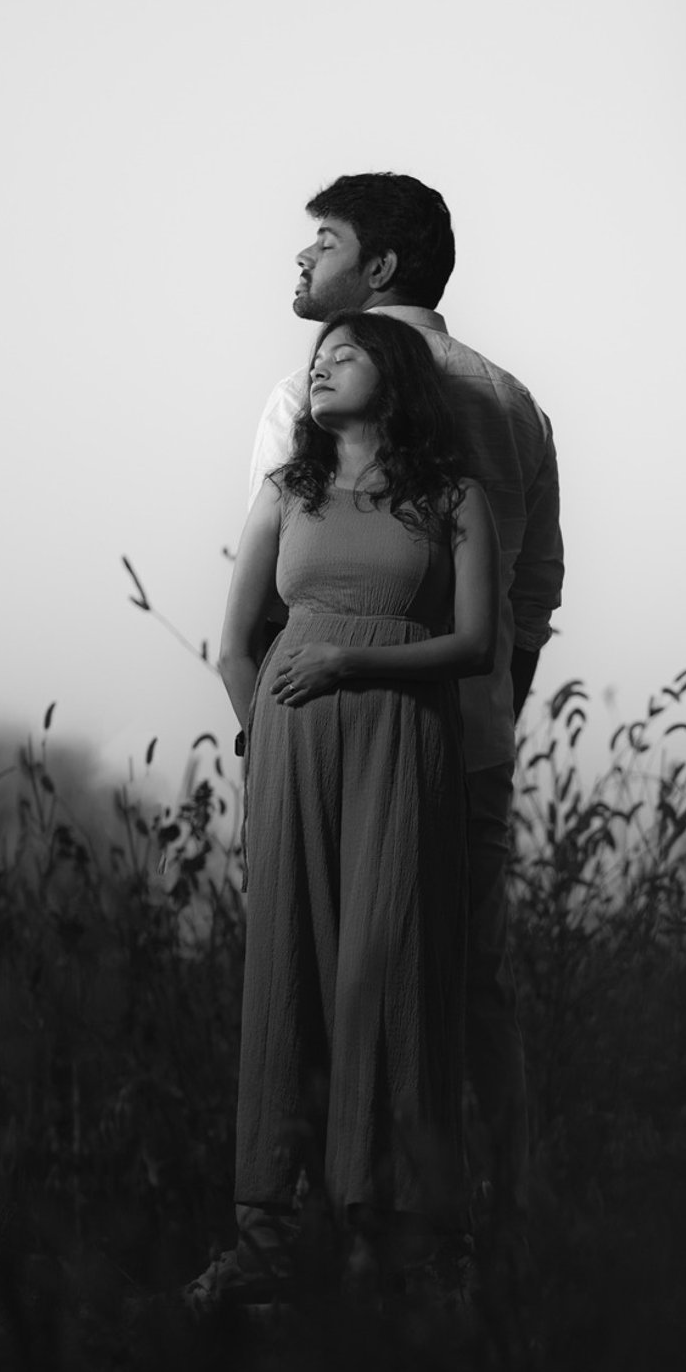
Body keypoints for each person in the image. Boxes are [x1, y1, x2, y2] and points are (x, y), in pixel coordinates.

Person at [240, 174, 563, 1266]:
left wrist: (275, 730)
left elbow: (277, 592)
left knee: (321, 973)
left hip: (328, 736)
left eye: (323, 241)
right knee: (465, 989)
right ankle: (483, 1235)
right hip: (465, 740)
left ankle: (319, 1226)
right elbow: (532, 596)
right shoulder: (513, 402)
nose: (302, 258)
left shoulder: (305, 393)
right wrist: (485, 714)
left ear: (378, 269)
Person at [184, 309, 498, 1313]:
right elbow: (234, 645)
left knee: (393, 969)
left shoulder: (453, 497)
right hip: (292, 744)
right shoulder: (288, 493)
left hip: (405, 741)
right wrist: (264, 736)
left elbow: (476, 644)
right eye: (317, 359)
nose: (320, 369)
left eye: (345, 354)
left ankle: (396, 1236)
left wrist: (349, 660)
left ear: (393, 375)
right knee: (288, 967)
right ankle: (269, 1234)